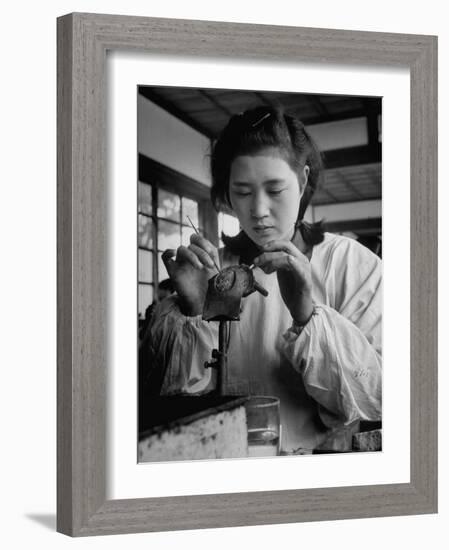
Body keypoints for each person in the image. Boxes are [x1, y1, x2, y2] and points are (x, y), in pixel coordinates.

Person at [144, 106, 382, 453]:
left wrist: (305, 314)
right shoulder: (214, 269)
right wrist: (194, 308)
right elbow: (162, 402)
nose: (257, 210)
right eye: (242, 192)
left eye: (274, 189)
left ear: (302, 181)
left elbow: (376, 400)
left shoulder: (352, 265)